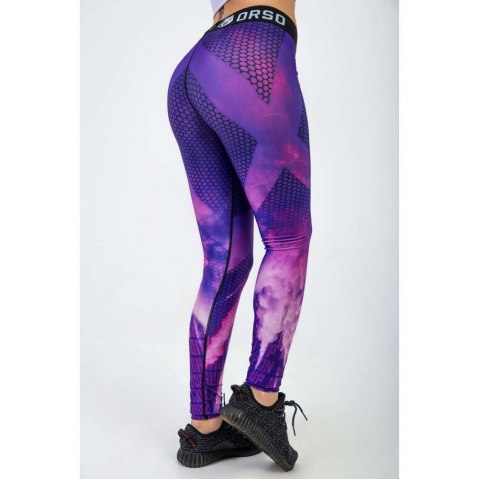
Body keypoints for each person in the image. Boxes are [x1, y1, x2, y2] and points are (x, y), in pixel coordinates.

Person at [167, 0, 311, 470]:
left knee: (224, 259)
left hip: (194, 71)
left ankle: (204, 430)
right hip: (253, 51)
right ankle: (261, 399)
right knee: (288, 240)